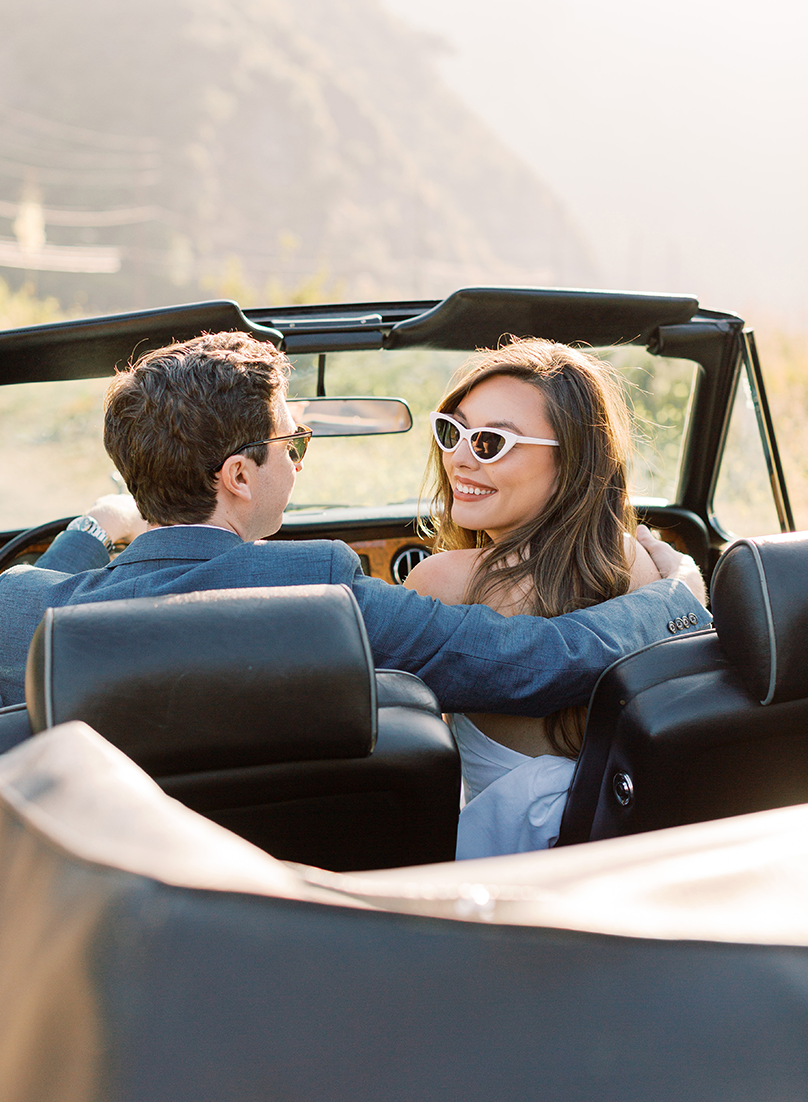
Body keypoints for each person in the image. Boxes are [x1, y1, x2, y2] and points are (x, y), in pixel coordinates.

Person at [0, 332, 708, 734]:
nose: (300, 456)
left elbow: (43, 591)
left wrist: (96, 525)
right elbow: (541, 658)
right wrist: (677, 593)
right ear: (240, 477)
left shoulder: (21, 611)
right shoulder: (323, 588)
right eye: (295, 442)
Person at [404, 337, 672, 858]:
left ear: (568, 463)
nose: (458, 458)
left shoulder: (443, 581)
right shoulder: (632, 561)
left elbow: (406, 741)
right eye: (451, 431)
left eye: (489, 443)